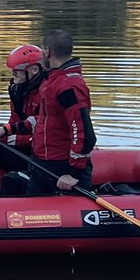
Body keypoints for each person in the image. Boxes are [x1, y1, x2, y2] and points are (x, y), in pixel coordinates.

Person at [25, 28, 96, 192]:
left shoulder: (68, 86)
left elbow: (83, 131)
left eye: (42, 49)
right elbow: (45, 120)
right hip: (43, 163)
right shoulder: (52, 80)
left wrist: (74, 173)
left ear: (47, 51)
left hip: (61, 167)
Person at [0, 43, 46, 194]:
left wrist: (9, 137)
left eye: (17, 71)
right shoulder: (18, 90)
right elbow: (14, 122)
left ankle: (31, 175)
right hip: (29, 143)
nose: (13, 75)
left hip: (42, 149)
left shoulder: (47, 91)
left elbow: (43, 128)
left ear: (34, 70)